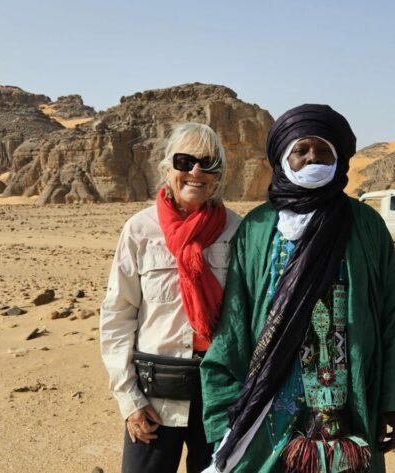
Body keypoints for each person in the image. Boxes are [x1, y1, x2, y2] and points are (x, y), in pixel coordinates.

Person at [201, 104, 395, 473]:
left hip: (349, 400)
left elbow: (390, 315)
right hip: (269, 400)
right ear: (283, 158)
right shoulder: (258, 228)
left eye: (324, 150)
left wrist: (392, 399)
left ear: (339, 158)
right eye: (301, 150)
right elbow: (235, 321)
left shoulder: (366, 225)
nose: (312, 158)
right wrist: (226, 404)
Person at [100, 122, 242, 473]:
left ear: (219, 174)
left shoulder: (237, 230)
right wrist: (129, 399)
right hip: (154, 395)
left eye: (207, 163)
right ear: (167, 169)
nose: (196, 171)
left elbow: (250, 317)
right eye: (185, 161)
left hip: (219, 394)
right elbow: (118, 314)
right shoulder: (140, 229)